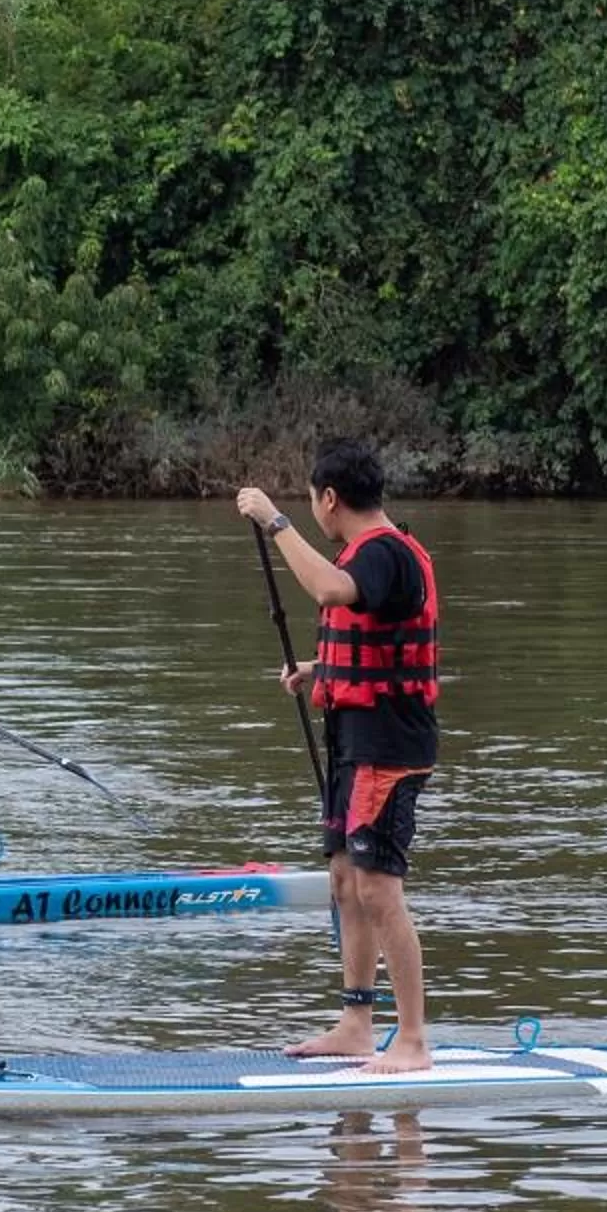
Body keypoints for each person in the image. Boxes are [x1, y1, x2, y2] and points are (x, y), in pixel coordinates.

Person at [236, 439, 439, 1073]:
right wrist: (322, 667)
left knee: (379, 886)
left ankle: (412, 1039)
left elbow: (329, 590)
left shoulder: (382, 552)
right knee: (345, 881)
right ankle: (357, 1022)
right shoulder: (374, 555)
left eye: (310, 503)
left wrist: (275, 522)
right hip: (354, 737)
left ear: (329, 499)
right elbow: (376, 639)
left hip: (389, 746)